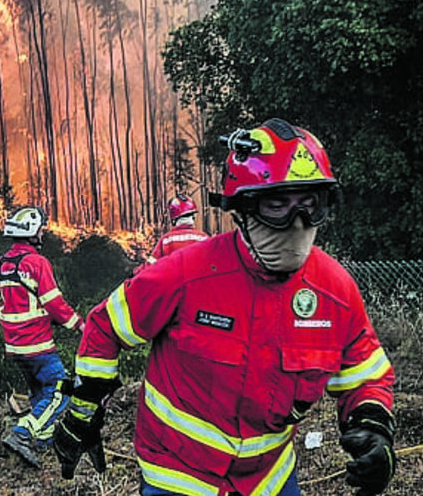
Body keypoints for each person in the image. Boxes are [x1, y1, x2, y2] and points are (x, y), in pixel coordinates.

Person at [53, 118, 396, 496]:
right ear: (242, 210)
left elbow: (366, 374)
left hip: (268, 478)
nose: (297, 223)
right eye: (277, 204)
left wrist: (373, 426)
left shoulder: (334, 292)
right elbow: (106, 326)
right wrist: (83, 413)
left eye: (309, 204)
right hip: (178, 474)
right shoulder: (185, 274)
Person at [0, 205, 86, 469]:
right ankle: (23, 433)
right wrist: (79, 325)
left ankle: (43, 441)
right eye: (40, 230)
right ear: (32, 233)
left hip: (15, 349)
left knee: (40, 393)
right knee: (60, 391)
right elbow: (54, 304)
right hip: (39, 346)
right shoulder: (37, 264)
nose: (42, 234)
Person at [136, 193, 210, 272]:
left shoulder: (166, 240)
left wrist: (135, 272)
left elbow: (151, 264)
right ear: (193, 217)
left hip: (172, 279)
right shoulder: (203, 238)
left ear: (173, 218)